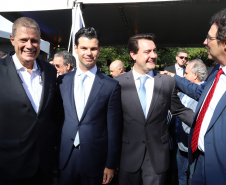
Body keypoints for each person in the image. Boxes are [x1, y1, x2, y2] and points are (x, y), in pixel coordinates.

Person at [115, 33, 194, 185]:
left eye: (154, 51)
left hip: (157, 157)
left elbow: (179, 110)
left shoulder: (166, 82)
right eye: (147, 52)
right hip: (128, 156)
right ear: (133, 55)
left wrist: (205, 123)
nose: (153, 55)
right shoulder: (118, 84)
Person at [161, 8, 226, 185]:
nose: (205, 42)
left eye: (210, 38)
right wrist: (173, 77)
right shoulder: (216, 74)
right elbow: (199, 92)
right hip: (199, 161)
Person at [57, 27, 123, 185]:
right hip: (66, 156)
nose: (88, 53)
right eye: (84, 48)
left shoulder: (111, 85)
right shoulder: (62, 81)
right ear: (76, 48)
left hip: (96, 159)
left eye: (93, 48)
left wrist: (111, 164)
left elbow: (114, 128)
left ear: (99, 50)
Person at [0, 17, 57, 185]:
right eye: (23, 40)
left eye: (34, 41)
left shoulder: (50, 71)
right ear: (12, 40)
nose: (29, 46)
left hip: (44, 167)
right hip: (8, 167)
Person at [175, 59, 207, 185]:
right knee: (181, 174)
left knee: (194, 177)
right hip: (180, 143)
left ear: (195, 75)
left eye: (186, 73)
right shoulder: (183, 92)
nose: (183, 76)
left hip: (195, 147)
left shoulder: (205, 94)